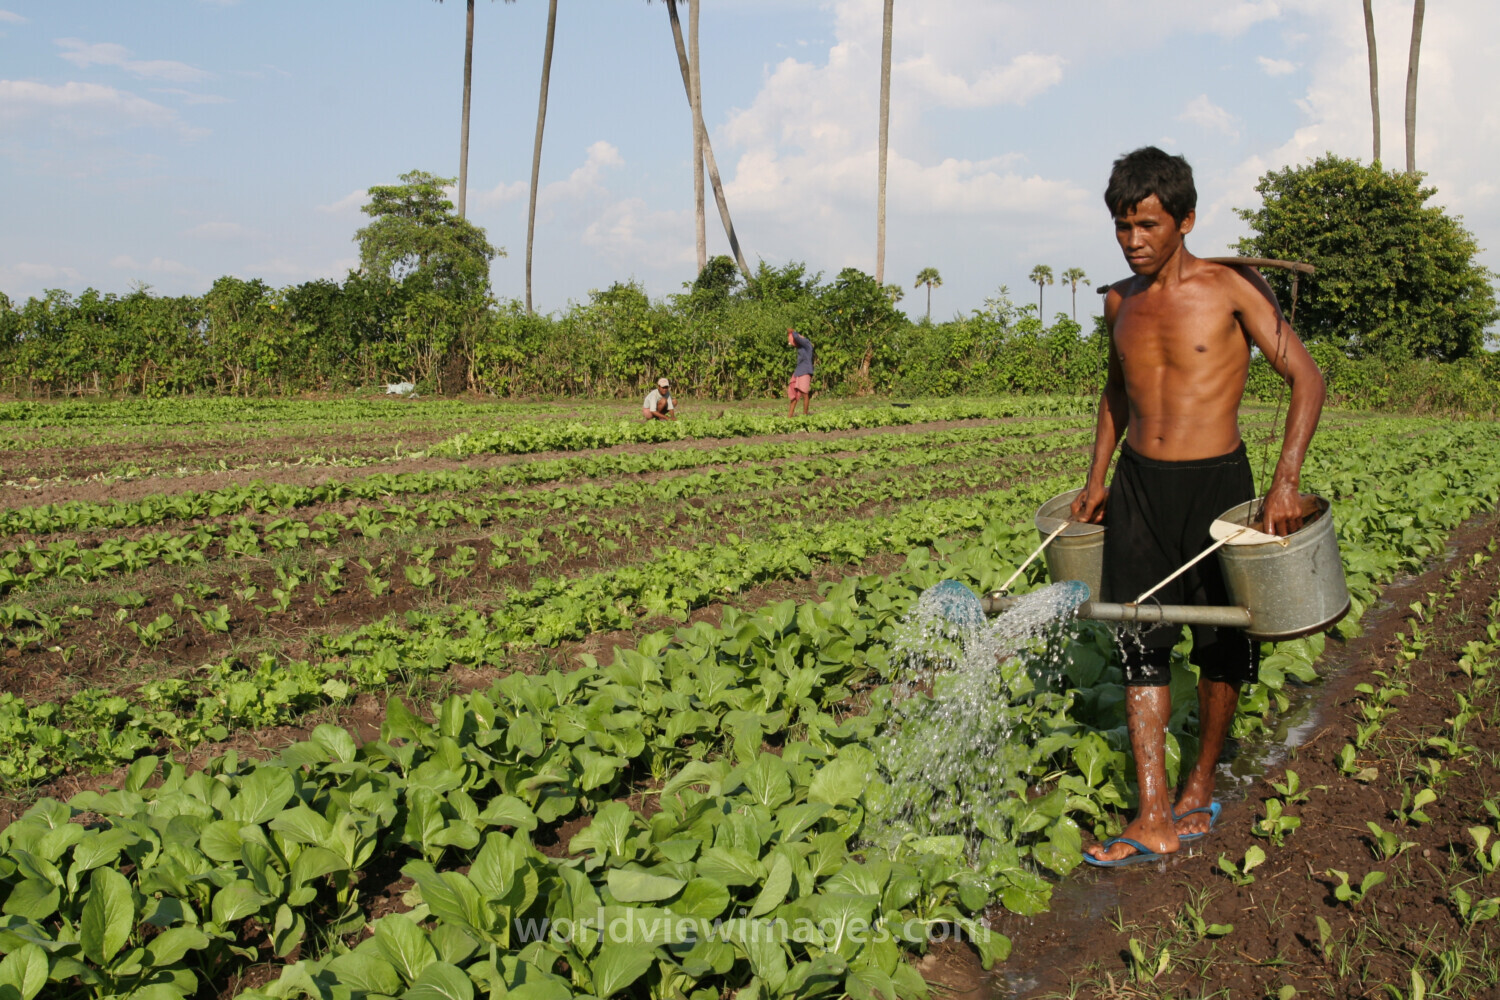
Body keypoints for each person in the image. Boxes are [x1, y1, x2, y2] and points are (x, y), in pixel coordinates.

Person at [1071, 146, 1325, 866]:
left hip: (1220, 487)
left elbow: (1307, 377)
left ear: (1184, 220)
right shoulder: (1120, 301)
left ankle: (1200, 780)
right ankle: (1151, 814)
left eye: (1148, 225)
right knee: (1136, 637)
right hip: (1141, 487)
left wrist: (1284, 482)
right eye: (1123, 227)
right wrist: (1098, 478)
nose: (1134, 240)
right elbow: (1116, 392)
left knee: (1222, 646)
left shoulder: (1233, 289)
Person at [787, 327, 814, 417]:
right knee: (793, 394)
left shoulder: (806, 344)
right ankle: (789, 416)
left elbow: (797, 338)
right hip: (798, 371)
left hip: (805, 371)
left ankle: (805, 415)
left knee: (804, 393)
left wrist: (793, 332)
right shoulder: (800, 347)